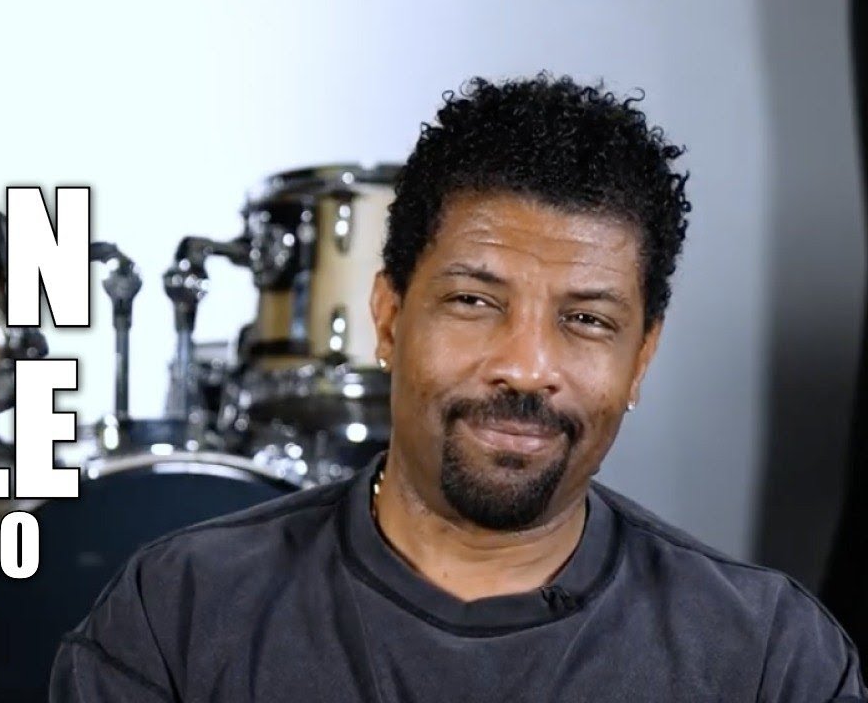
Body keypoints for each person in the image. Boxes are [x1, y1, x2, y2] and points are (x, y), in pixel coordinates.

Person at [49, 74, 867, 702]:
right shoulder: (181, 616)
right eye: (475, 302)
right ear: (389, 317)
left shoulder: (767, 659)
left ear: (642, 357)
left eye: (586, 320)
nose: (525, 366)